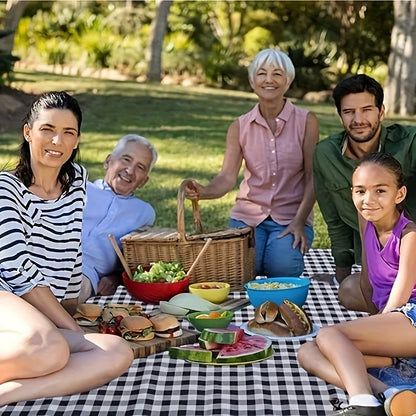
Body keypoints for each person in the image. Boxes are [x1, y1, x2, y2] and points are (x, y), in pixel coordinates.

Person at [0, 91, 133, 406]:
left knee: (116, 351)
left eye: (68, 132)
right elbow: (18, 270)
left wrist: (73, 309)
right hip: (6, 296)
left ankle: (6, 394)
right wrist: (71, 327)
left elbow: (72, 252)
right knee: (52, 348)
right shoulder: (6, 188)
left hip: (38, 319)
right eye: (47, 129)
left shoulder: (77, 184)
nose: (57, 141)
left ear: (77, 141)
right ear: (28, 132)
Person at [298, 153, 416, 416]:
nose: (368, 200)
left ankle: (363, 404)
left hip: (410, 317)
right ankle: (387, 394)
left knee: (329, 335)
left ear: (400, 194)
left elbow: (399, 297)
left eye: (380, 191)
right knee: (308, 351)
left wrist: (374, 335)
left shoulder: (410, 236)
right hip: (394, 326)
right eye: (360, 191)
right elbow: (368, 276)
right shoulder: (367, 221)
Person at [184, 48, 319, 277]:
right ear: (251, 81)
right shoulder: (239, 126)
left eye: (277, 74)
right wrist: (203, 192)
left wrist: (299, 221)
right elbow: (227, 177)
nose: (269, 80)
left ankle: (278, 253)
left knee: (282, 269)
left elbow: (312, 176)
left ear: (288, 80)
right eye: (262, 73)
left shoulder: (307, 121)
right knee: (242, 271)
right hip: (247, 217)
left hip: (291, 217)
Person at [313, 74, 416, 312]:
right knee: (347, 290)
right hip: (377, 261)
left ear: (381, 111)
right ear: (340, 115)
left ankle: (395, 317)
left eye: (367, 109)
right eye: (349, 112)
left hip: (409, 247)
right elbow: (334, 220)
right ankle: (391, 313)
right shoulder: (326, 154)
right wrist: (341, 273)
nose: (358, 119)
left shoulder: (409, 142)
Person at [80, 134, 157, 301]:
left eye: (140, 167)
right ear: (108, 161)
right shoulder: (79, 189)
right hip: (49, 257)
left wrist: (115, 278)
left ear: (144, 181)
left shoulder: (143, 213)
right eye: (126, 159)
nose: (130, 171)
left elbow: (135, 258)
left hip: (83, 275)